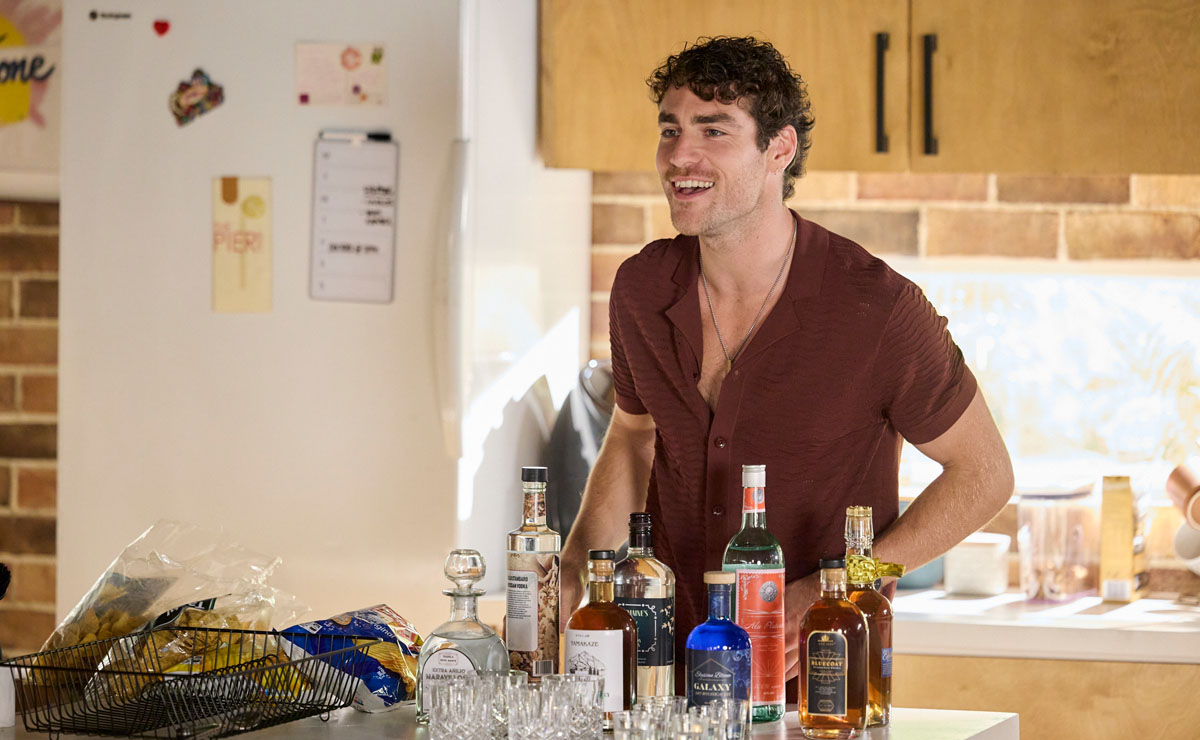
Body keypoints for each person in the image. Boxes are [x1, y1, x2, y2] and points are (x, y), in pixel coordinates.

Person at [559, 36, 1014, 695]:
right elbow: (634, 437)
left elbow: (986, 475)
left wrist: (842, 586)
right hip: (669, 681)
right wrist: (576, 569)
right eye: (670, 129)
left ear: (779, 149)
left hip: (822, 688)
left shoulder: (876, 308)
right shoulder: (640, 290)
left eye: (713, 130)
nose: (679, 156)